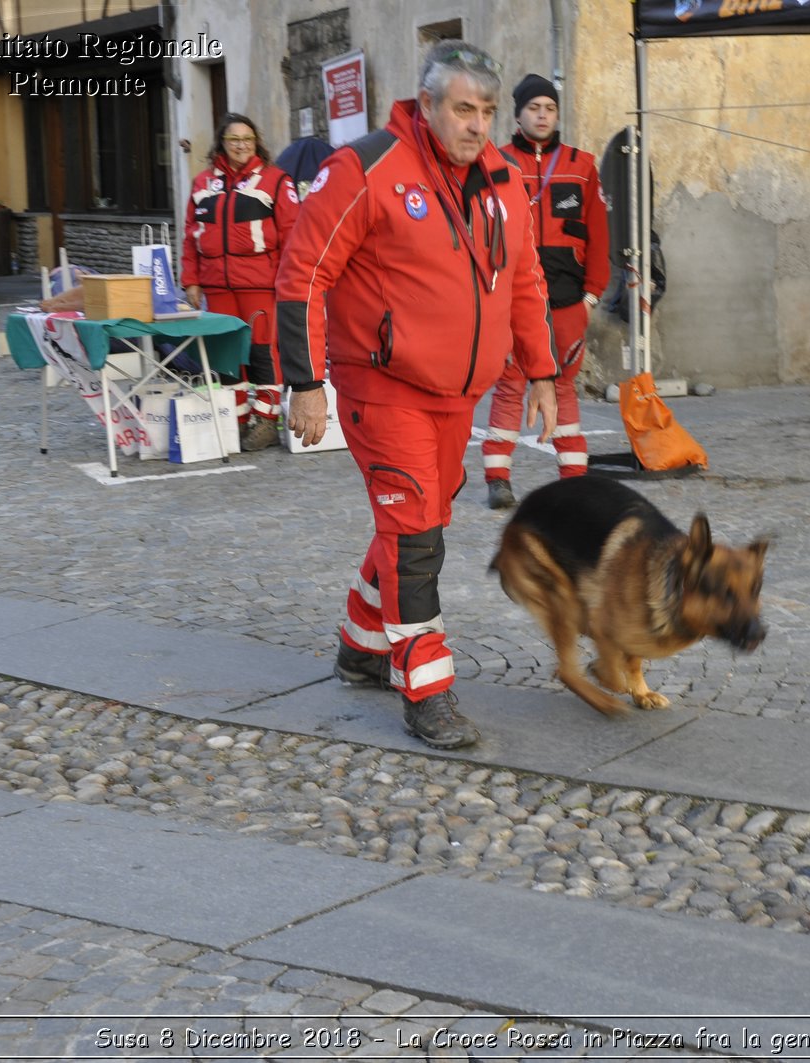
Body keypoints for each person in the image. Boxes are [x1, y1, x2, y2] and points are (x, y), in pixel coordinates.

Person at [275, 40, 559, 749]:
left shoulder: (504, 180)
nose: (478, 125)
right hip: (382, 383)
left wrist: (543, 371)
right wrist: (306, 385)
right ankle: (426, 687)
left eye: (488, 111)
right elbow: (303, 275)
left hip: (455, 392)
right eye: (464, 109)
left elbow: (525, 284)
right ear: (427, 106)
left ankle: (361, 640)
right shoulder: (367, 168)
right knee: (413, 533)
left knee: (421, 520)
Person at [480, 73, 611, 509]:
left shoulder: (581, 165)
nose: (542, 115)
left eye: (550, 108)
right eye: (534, 108)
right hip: (516, 304)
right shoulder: (494, 164)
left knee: (565, 387)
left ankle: (574, 479)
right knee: (511, 385)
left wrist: (592, 293)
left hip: (569, 301)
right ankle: (498, 478)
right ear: (517, 114)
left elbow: (598, 233)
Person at [181, 113, 300, 451]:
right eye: (234, 139)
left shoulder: (277, 181)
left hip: (261, 285)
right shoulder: (202, 183)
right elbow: (191, 238)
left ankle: (266, 419)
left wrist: (288, 280)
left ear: (256, 141)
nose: (241, 145)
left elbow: (294, 235)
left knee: (263, 352)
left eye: (247, 138)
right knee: (227, 357)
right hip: (216, 287)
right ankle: (236, 419)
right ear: (222, 143)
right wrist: (191, 281)